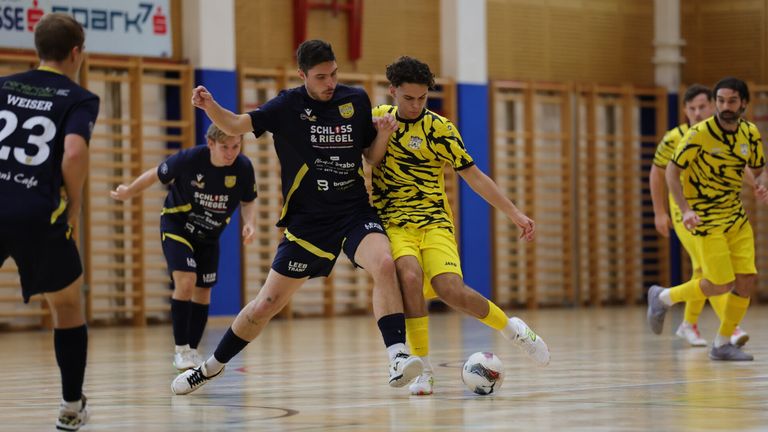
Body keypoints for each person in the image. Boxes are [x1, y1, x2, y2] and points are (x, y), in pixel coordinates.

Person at [171, 40, 423, 395]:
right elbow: (235, 123)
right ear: (302, 75)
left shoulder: (355, 100)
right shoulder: (287, 106)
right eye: (321, 77)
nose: (330, 82)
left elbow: (371, 157)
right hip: (308, 223)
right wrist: (210, 105)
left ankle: (397, 356)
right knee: (265, 306)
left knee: (384, 262)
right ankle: (210, 367)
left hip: (353, 212)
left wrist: (381, 135)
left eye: (334, 73)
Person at [369, 56, 550, 396]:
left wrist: (514, 213)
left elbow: (475, 177)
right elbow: (370, 160)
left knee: (450, 288)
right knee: (408, 276)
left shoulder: (441, 129)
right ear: (393, 91)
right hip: (394, 220)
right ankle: (422, 368)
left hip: (434, 220)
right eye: (408, 98)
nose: (416, 104)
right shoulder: (378, 119)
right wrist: (382, 136)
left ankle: (514, 330)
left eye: (422, 98)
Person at [0, 13, 99, 431]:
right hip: (36, 212)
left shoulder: (4, 86)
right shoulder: (78, 97)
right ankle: (70, 406)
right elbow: (73, 153)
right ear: (76, 53)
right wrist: (73, 204)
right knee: (66, 305)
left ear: (36, 50)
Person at [110, 124, 258, 370]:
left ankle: (191, 350)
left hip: (209, 236)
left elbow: (248, 201)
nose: (231, 153)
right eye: (225, 147)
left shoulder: (243, 168)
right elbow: (155, 174)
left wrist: (250, 224)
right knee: (186, 281)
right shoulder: (190, 159)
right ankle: (180, 350)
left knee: (202, 292)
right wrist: (129, 191)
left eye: (236, 146)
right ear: (210, 143)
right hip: (177, 226)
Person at [648, 77, 768, 361]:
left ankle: (723, 341)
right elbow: (668, 172)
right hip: (704, 218)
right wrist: (680, 209)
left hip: (735, 218)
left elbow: (757, 166)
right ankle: (664, 298)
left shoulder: (750, 133)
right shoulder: (697, 134)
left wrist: (760, 183)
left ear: (743, 104)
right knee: (719, 281)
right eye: (721, 101)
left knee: (746, 278)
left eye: (732, 101)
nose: (725, 107)